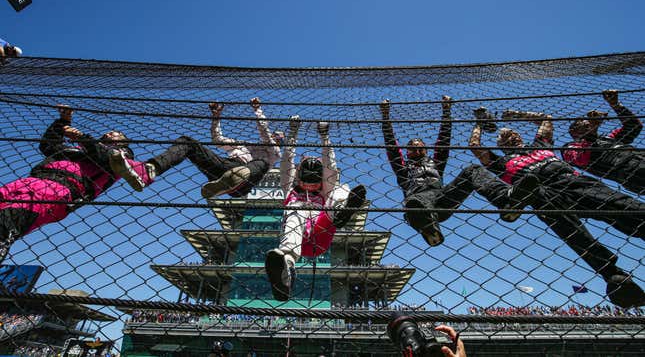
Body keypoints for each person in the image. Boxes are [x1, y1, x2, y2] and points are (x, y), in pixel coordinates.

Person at [469, 109, 645, 308]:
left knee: (621, 206)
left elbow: (546, 119)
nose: (511, 138)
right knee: (569, 228)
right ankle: (611, 273)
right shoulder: (501, 162)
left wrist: (518, 114)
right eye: (505, 138)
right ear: (500, 146)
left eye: (514, 134)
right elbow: (474, 146)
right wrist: (479, 124)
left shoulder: (539, 145)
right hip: (545, 193)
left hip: (572, 181)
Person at [0, 105, 153, 264]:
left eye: (116, 134)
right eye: (108, 132)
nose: (109, 134)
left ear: (124, 142)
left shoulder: (122, 157)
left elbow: (104, 156)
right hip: (30, 180)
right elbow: (48, 145)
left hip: (59, 190)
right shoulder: (77, 149)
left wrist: (82, 138)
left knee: (6, 223)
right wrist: (62, 122)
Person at [379, 97, 537, 247]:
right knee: (416, 203)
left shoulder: (435, 163)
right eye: (413, 147)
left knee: (472, 170)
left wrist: (446, 111)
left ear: (426, 150)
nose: (417, 148)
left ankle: (506, 200)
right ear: (407, 152)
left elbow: (443, 141)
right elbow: (391, 145)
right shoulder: (403, 169)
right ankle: (428, 227)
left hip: (442, 199)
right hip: (419, 203)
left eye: (420, 146)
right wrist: (385, 117)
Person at [265, 117, 366, 301]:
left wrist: (324, 137)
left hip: (322, 229)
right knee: (295, 207)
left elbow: (330, 169)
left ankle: (341, 211)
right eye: (306, 176)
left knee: (340, 189)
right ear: (298, 176)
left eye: (315, 178)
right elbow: (287, 163)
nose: (311, 183)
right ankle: (286, 269)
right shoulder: (289, 190)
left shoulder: (324, 192)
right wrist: (293, 133)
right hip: (297, 241)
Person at [110, 98, 283, 199]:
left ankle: (234, 182)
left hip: (247, 178)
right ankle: (150, 170)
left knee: (260, 164)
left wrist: (258, 110)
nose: (277, 138)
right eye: (277, 135)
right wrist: (216, 117)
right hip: (225, 168)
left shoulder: (274, 153)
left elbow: (264, 131)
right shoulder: (243, 145)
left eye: (279, 138)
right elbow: (218, 140)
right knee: (187, 142)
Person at [562, 89, 643, 194]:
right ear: (573, 132)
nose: (586, 121)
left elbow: (634, 126)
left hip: (639, 156)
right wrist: (592, 133)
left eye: (587, 120)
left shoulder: (609, 138)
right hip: (629, 170)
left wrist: (615, 105)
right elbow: (582, 158)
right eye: (580, 122)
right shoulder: (569, 147)